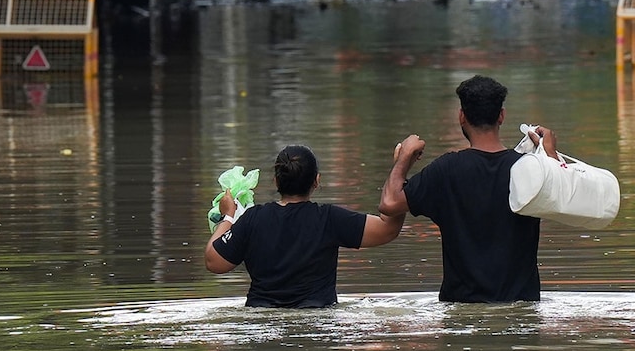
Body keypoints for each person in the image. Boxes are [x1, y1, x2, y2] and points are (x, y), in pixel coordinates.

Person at [379, 75, 558, 303]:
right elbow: (563, 198)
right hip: (522, 309)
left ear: (461, 116)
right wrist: (550, 156)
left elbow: (390, 204)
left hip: (460, 309)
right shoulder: (529, 169)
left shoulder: (446, 170)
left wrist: (404, 157)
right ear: (501, 116)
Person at [205, 144, 404, 308]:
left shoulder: (253, 219)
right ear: (316, 181)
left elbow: (214, 262)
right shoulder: (329, 219)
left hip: (262, 320)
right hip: (318, 320)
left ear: (276, 181)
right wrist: (401, 168)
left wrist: (228, 216)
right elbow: (388, 229)